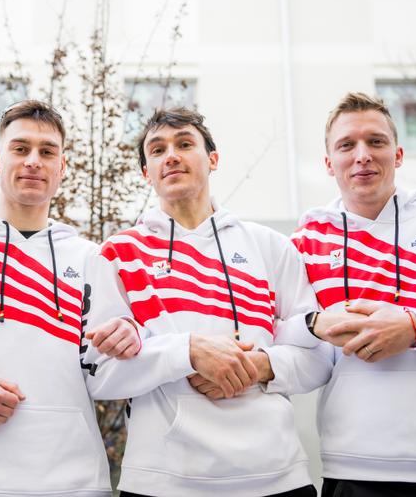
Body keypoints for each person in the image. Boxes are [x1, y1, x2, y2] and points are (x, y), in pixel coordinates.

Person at [0, 101, 239, 497]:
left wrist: (129, 337)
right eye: (20, 149)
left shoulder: (94, 259)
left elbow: (111, 369)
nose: (33, 162)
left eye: (47, 151)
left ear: (63, 166)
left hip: (76, 484)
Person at [82, 107, 323, 497]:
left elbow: (318, 356)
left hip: (276, 477)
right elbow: (99, 374)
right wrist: (188, 353)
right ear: (147, 173)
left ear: (212, 159)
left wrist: (262, 365)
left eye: (184, 144)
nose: (171, 155)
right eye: (157, 150)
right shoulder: (116, 254)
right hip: (163, 482)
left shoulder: (271, 247)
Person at [288, 91, 416, 497]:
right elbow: (286, 338)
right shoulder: (304, 242)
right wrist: (313, 324)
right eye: (347, 145)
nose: (362, 154)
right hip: (355, 465)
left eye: (376, 142)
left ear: (398, 155)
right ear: (330, 164)